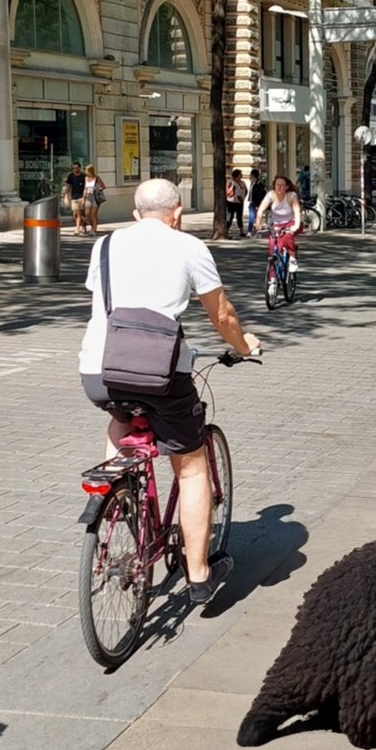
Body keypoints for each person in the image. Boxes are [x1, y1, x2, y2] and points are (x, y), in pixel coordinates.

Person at [82, 178, 260, 604]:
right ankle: (199, 576)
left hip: (98, 371)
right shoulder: (189, 247)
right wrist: (244, 344)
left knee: (120, 417)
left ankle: (119, 499)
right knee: (191, 465)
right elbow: (222, 314)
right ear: (177, 212)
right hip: (161, 374)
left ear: (135, 213)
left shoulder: (104, 246)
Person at [265, 175, 302, 270]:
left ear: (286, 187)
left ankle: (292, 257)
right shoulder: (271, 195)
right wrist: (257, 222)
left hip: (291, 223)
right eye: (277, 185)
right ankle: (272, 281)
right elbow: (261, 209)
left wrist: (296, 225)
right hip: (277, 225)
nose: (279, 187)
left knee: (287, 236)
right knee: (272, 244)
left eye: (282, 185)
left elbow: (297, 211)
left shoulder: (291, 195)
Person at [62, 163, 89, 237]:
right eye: (73, 168)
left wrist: (84, 197)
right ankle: (83, 223)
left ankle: (77, 228)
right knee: (75, 214)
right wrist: (66, 196)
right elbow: (68, 187)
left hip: (81, 196)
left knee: (79, 213)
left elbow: (85, 188)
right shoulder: (71, 176)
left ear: (79, 168)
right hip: (74, 197)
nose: (74, 169)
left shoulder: (83, 177)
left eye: (76, 168)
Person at [80, 165, 106, 234]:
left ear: (90, 171)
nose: (86, 172)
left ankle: (94, 229)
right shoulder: (86, 178)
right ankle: (92, 226)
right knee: (87, 214)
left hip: (95, 196)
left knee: (93, 214)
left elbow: (103, 186)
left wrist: (97, 189)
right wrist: (83, 198)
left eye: (87, 170)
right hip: (89, 196)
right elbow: (85, 188)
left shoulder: (97, 178)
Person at [223, 168, 246, 237]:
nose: (241, 175)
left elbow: (245, 190)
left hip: (239, 202)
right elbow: (228, 191)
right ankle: (226, 231)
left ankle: (241, 231)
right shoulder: (230, 182)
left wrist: (242, 198)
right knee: (230, 217)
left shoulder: (242, 182)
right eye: (240, 174)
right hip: (231, 201)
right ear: (237, 175)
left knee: (239, 217)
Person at [246, 169, 268, 237]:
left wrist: (259, 204)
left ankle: (256, 231)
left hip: (256, 203)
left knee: (256, 217)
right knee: (252, 217)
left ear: (253, 175)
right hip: (252, 203)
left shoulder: (259, 183)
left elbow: (260, 194)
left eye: (251, 175)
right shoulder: (252, 183)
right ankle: (251, 231)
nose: (250, 176)